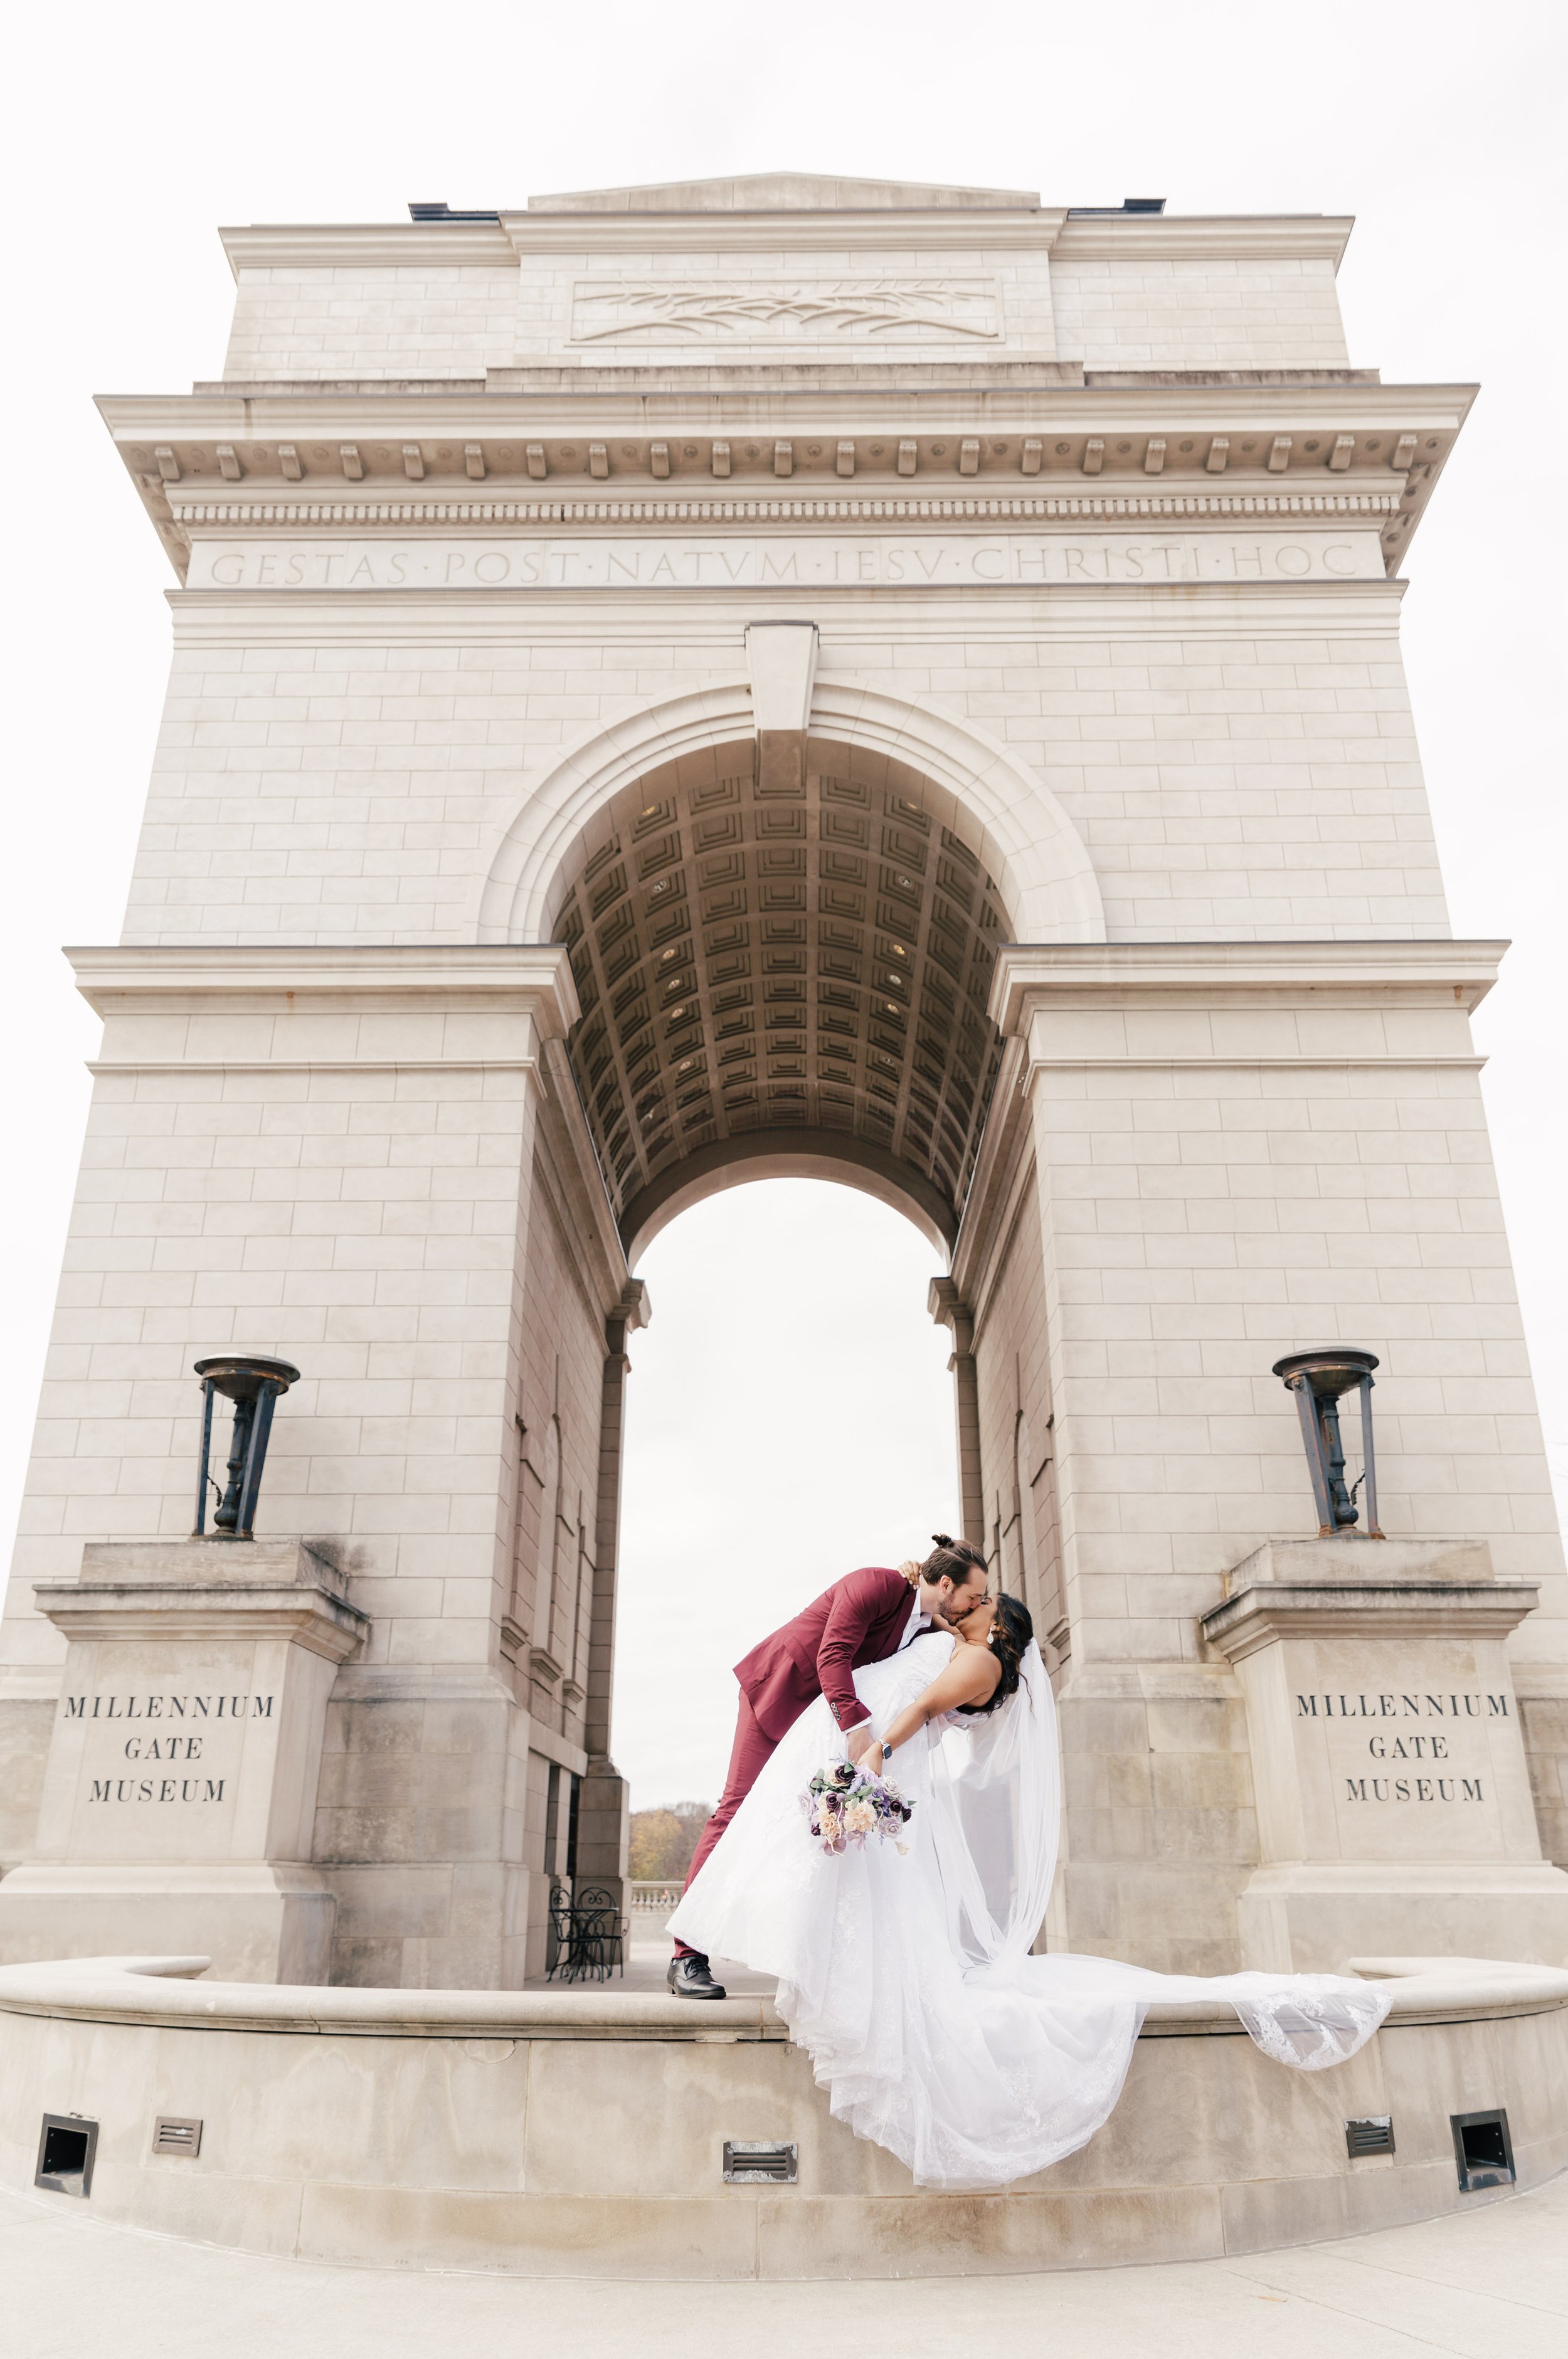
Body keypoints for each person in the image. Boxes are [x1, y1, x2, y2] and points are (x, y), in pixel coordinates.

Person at [669, 1584, 1392, 2189]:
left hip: (875, 1752)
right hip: (856, 1742)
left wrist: (868, 1765)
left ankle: (765, 1954)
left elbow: (916, 1713)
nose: (974, 1607)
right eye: (974, 1596)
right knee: (818, 1863)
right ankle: (737, 1947)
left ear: (1000, 1628)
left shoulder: (975, 1658)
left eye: (985, 1604)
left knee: (844, 1875)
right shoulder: (951, 1639)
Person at [669, 1537, 988, 1998]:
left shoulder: (925, 1627)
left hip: (820, 1724)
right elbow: (832, 1654)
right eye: (973, 1596)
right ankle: (686, 1957)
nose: (976, 1604)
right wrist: (857, 1728)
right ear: (945, 1583)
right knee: (735, 1810)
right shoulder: (873, 1583)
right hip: (778, 1697)